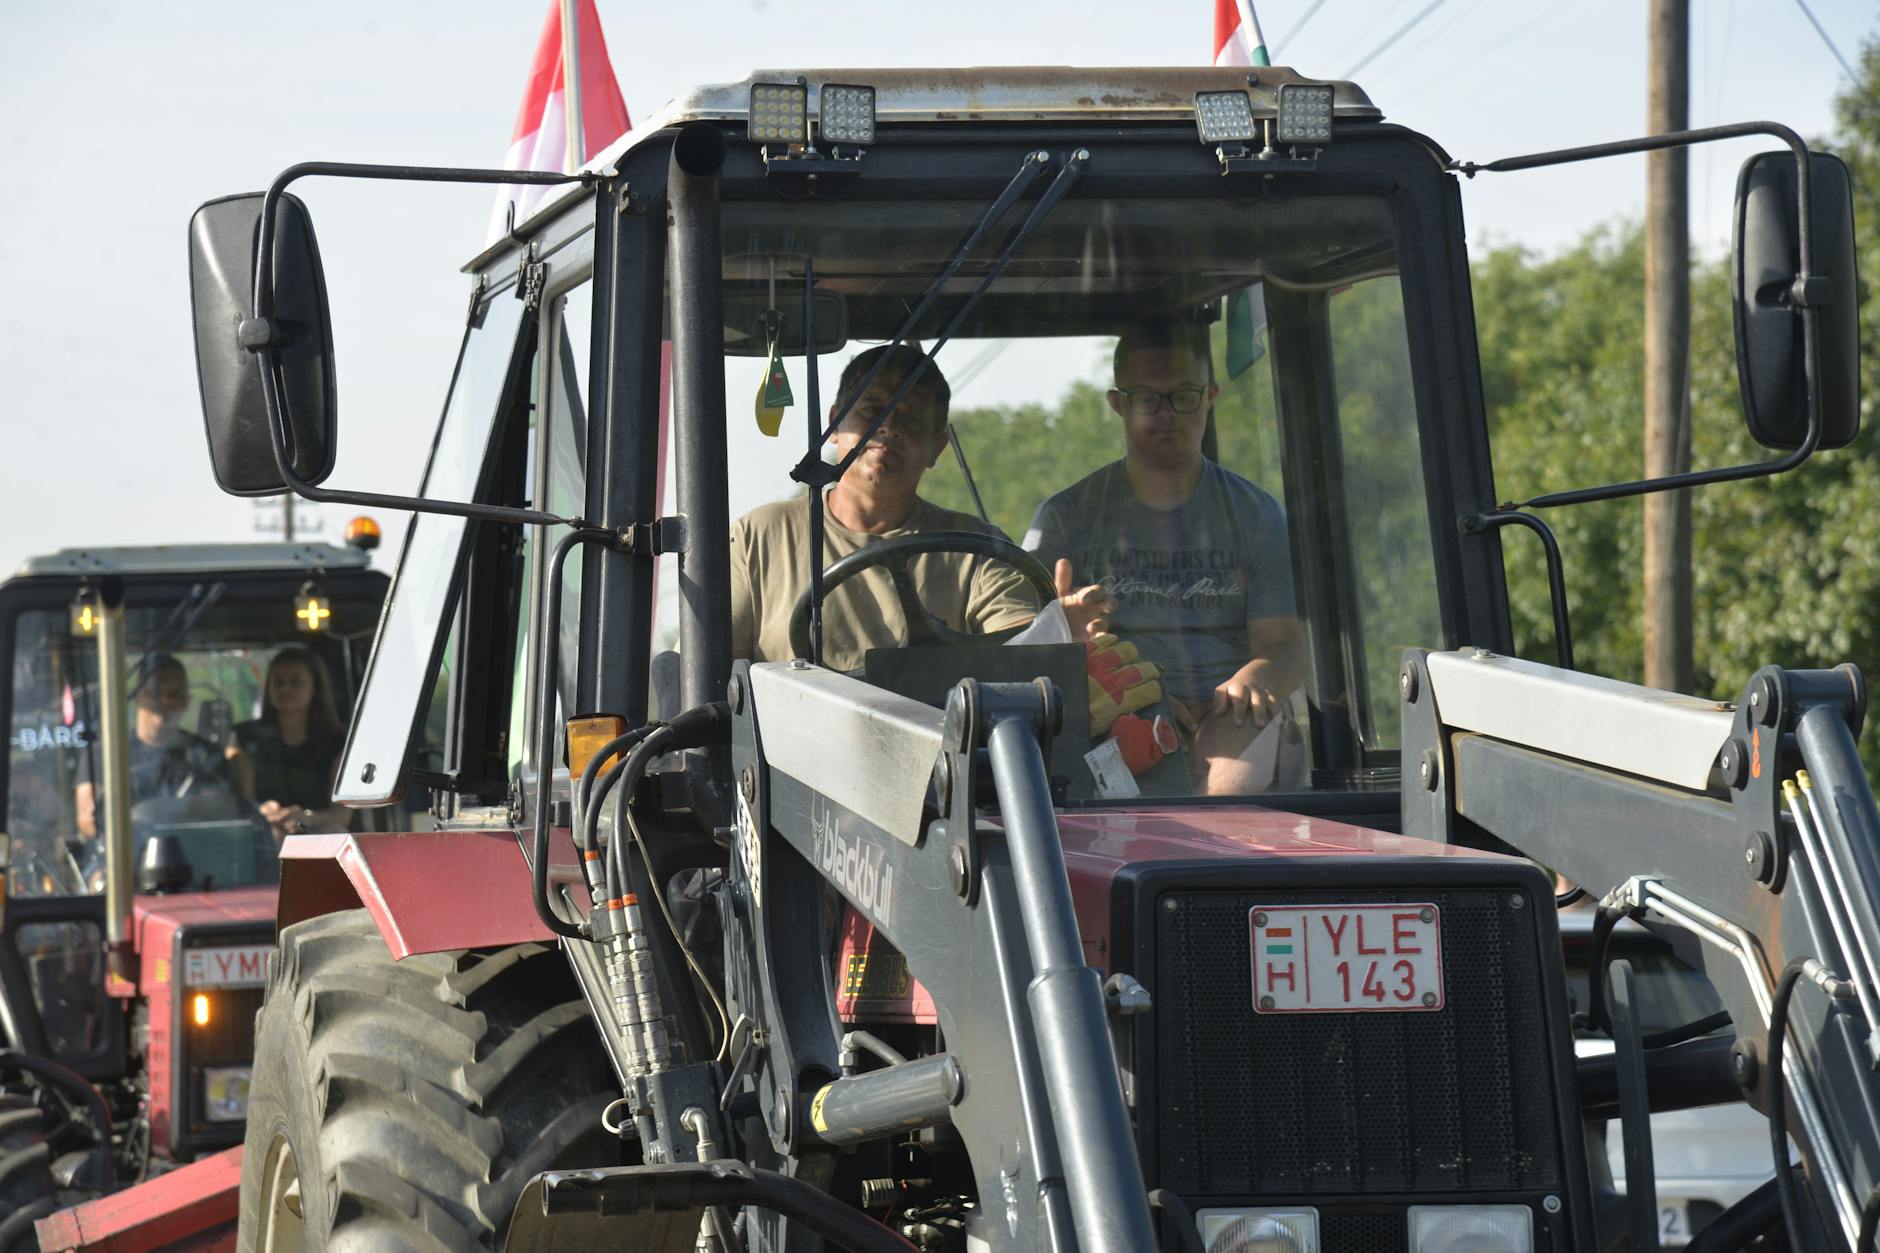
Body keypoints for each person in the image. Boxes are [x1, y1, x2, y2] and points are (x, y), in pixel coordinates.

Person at [732, 344, 1113, 672]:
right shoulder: (758, 536)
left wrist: (1054, 631)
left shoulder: (978, 551)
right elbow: (712, 669)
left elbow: (1017, 657)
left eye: (912, 420)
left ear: (937, 448)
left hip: (937, 735)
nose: (889, 428)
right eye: (872, 410)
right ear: (834, 424)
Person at [1024, 315, 1306, 755]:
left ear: (1210, 397)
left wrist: (1257, 678)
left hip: (1232, 714)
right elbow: (1022, 655)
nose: (1167, 413)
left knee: (1234, 788)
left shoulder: (1257, 516)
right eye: (1146, 398)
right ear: (1117, 403)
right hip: (1113, 715)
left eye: (1185, 396)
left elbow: (1282, 647)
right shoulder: (1065, 519)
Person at [75, 654, 244, 836]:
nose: (165, 701)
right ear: (137, 695)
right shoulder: (105, 754)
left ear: (186, 700)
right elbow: (87, 822)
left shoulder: (206, 757)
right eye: (155, 692)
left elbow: (224, 814)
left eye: (175, 694)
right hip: (127, 852)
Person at [231, 646, 349, 837]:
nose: (285, 689)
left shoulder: (338, 742)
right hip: (261, 836)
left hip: (319, 837)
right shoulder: (245, 738)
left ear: (315, 687)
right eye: (278, 682)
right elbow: (240, 804)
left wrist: (305, 818)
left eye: (296, 682)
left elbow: (342, 815)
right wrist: (262, 810)